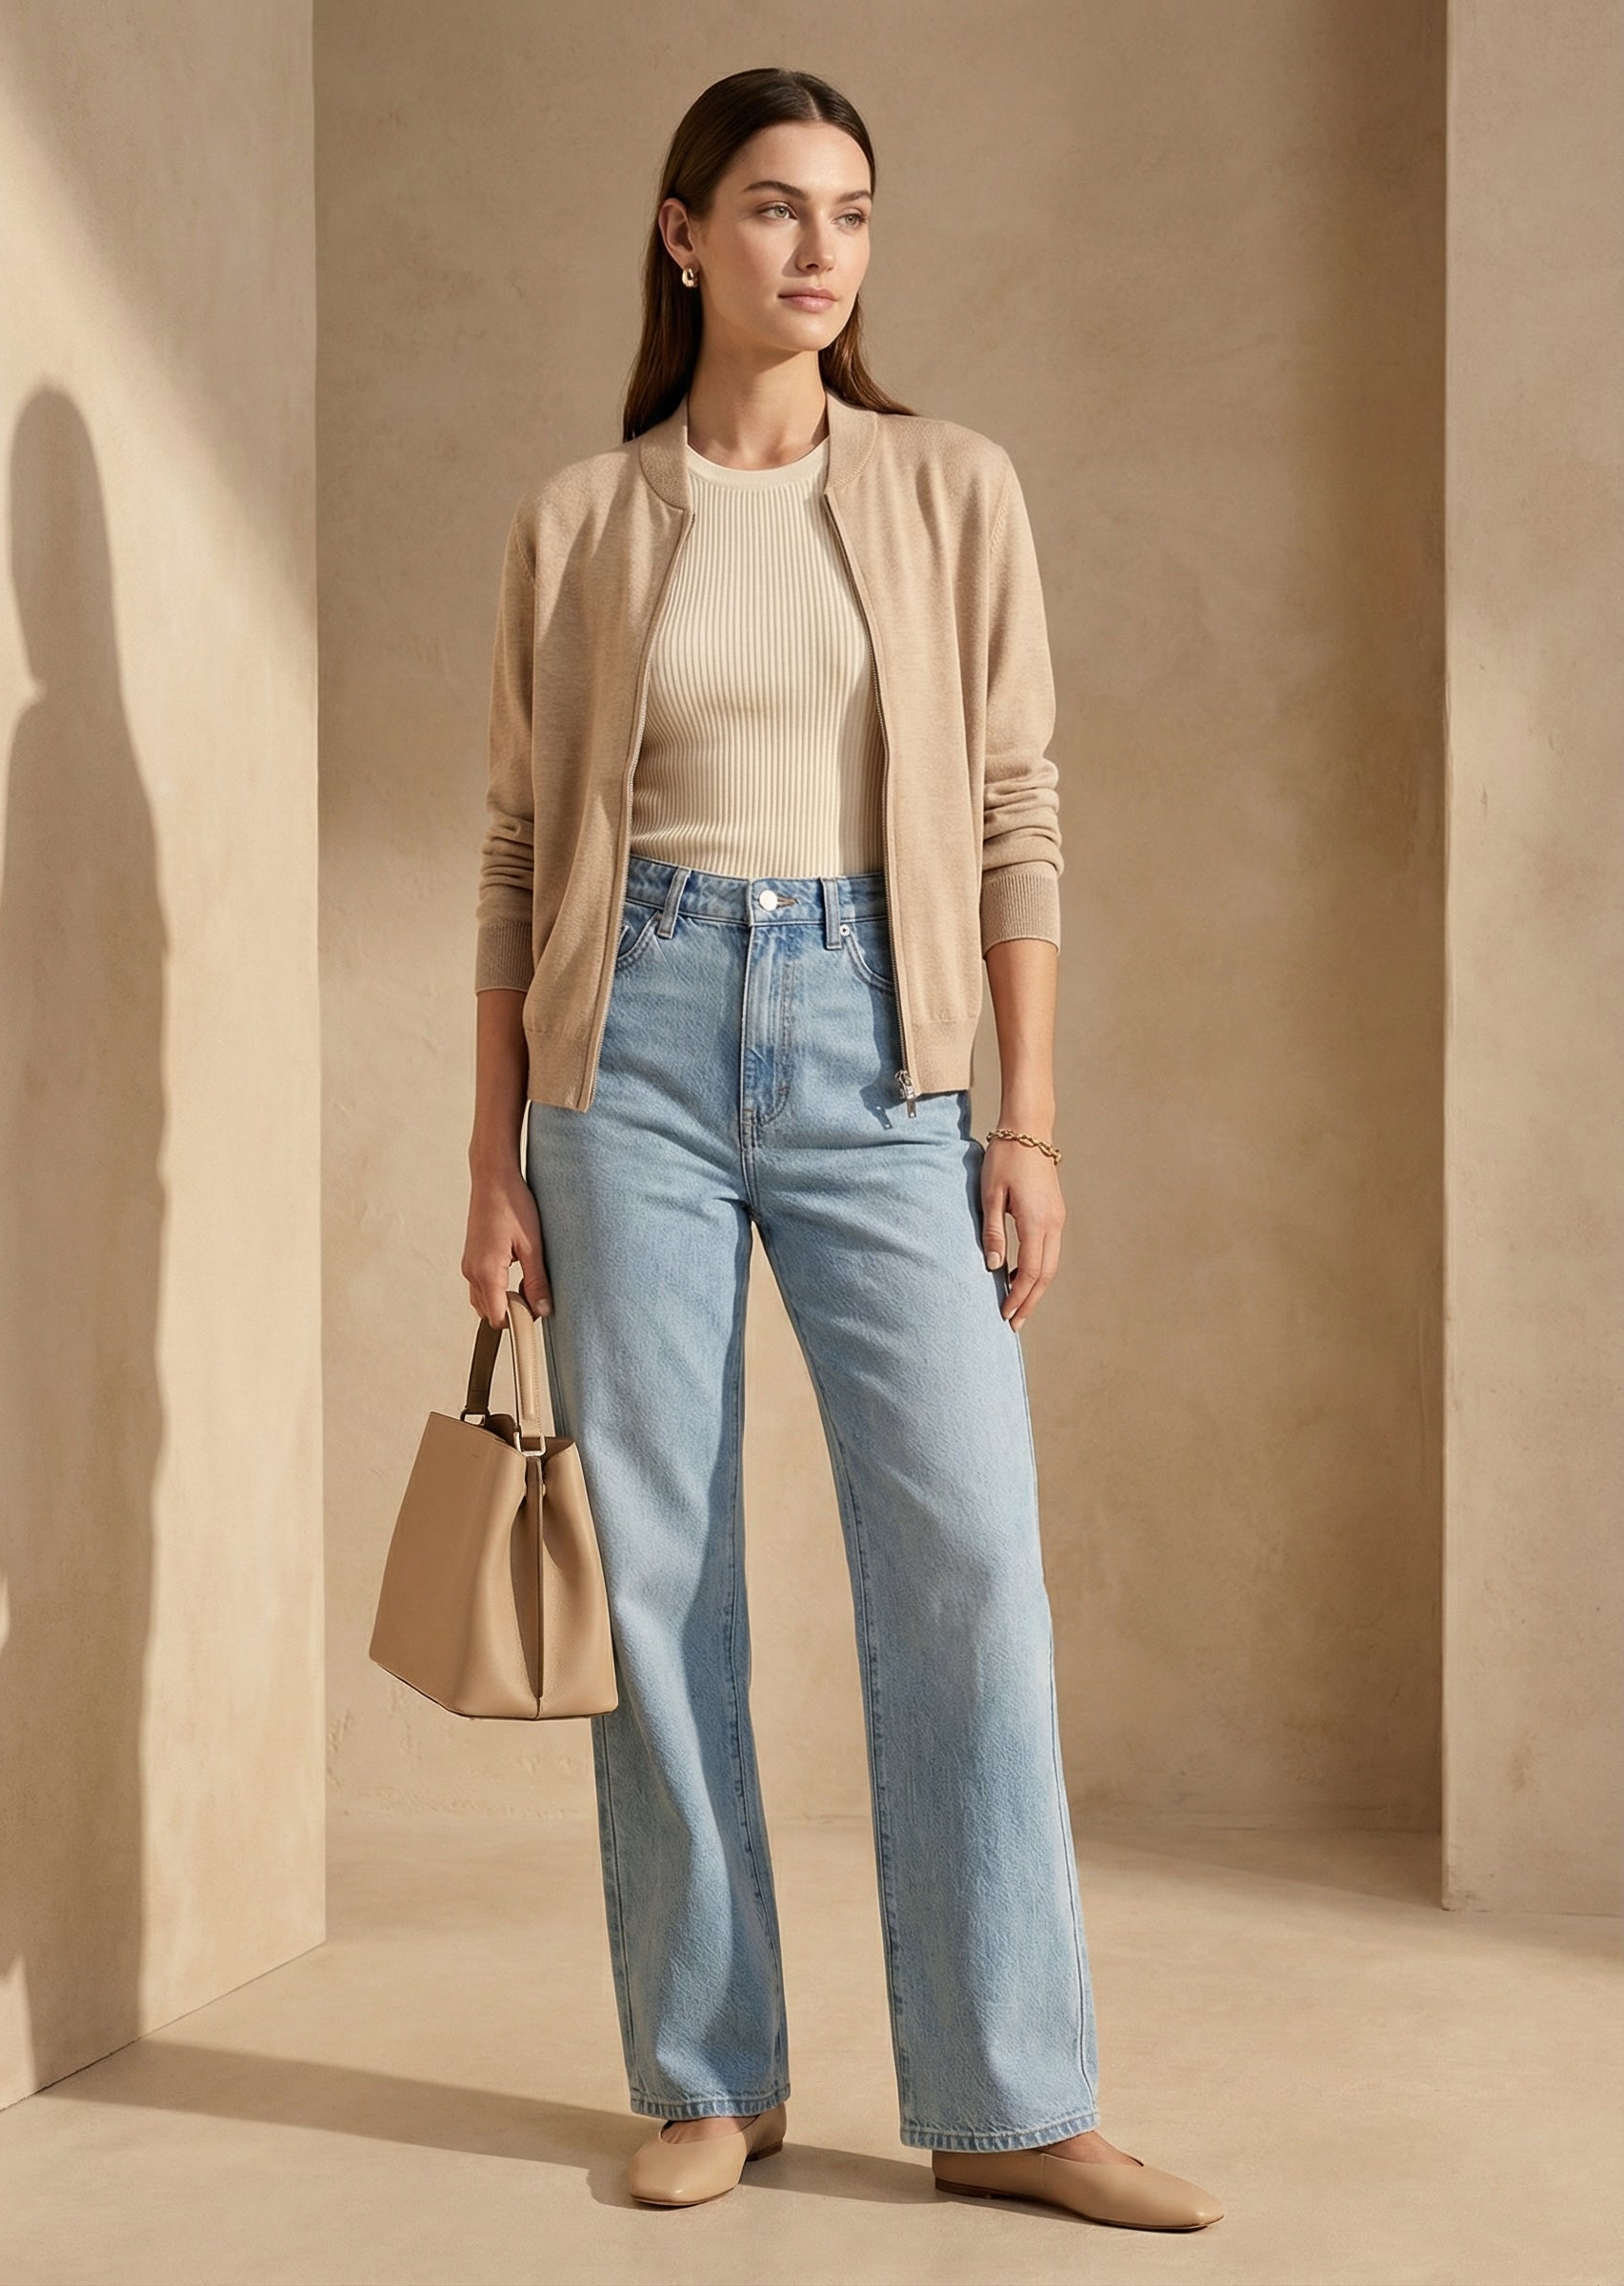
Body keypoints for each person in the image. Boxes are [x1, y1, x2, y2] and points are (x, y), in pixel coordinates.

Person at [461, 65, 1223, 2235]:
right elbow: (515, 864)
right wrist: (494, 1165)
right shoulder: (580, 523)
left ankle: (1006, 2099)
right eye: (776, 210)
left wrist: (1024, 1119)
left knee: (967, 1562)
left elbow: (1013, 809)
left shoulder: (947, 488)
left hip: (890, 1053)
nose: (819, 252)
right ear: (681, 235)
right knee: (669, 1575)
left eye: (854, 216)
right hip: (639, 1062)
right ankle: (712, 2071)